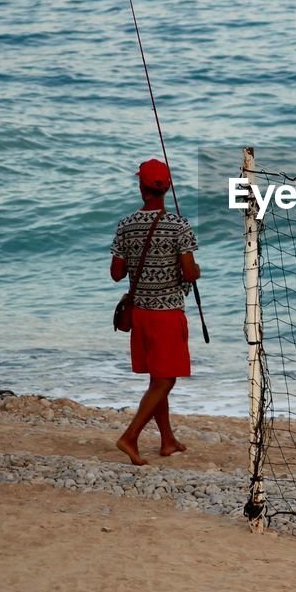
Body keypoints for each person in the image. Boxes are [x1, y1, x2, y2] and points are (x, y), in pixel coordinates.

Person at [110, 158, 201, 466]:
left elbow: (117, 273)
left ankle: (167, 440)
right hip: (166, 313)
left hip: (140, 314)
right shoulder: (179, 225)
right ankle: (130, 437)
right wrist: (196, 270)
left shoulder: (126, 224)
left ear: (141, 188)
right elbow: (189, 273)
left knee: (156, 377)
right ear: (168, 188)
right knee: (165, 381)